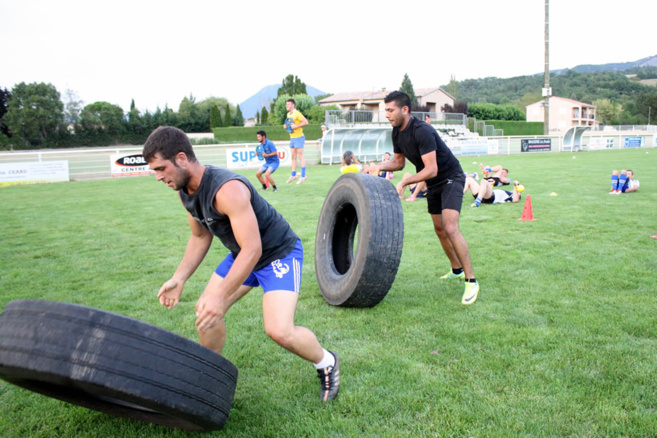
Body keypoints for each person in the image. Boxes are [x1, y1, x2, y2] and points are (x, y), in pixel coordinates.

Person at [142, 126, 340, 402]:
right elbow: (200, 236)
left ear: (182, 158)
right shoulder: (185, 190)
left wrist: (220, 297)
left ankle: (326, 361)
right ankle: (209, 376)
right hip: (242, 253)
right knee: (206, 316)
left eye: (161, 168)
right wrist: (180, 278)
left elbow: (254, 249)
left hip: (276, 255)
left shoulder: (227, 189)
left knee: (279, 331)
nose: (158, 177)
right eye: (155, 171)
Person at [368, 91, 479, 305]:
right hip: (434, 183)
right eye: (386, 111)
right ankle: (456, 270)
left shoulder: (423, 131)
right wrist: (379, 165)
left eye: (390, 110)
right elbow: (399, 163)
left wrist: (403, 183)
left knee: (450, 226)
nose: (387, 115)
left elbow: (432, 168)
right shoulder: (396, 132)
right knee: (439, 228)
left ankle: (471, 280)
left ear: (405, 110)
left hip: (451, 178)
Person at [283, 99, 309, 184]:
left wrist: (296, 126)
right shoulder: (288, 114)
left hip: (299, 137)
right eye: (286, 104)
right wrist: (286, 126)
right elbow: (290, 124)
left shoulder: (297, 113)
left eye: (289, 104)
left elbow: (306, 122)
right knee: (293, 156)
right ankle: (293, 175)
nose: (287, 106)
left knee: (300, 156)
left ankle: (303, 176)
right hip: (292, 137)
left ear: (293, 105)